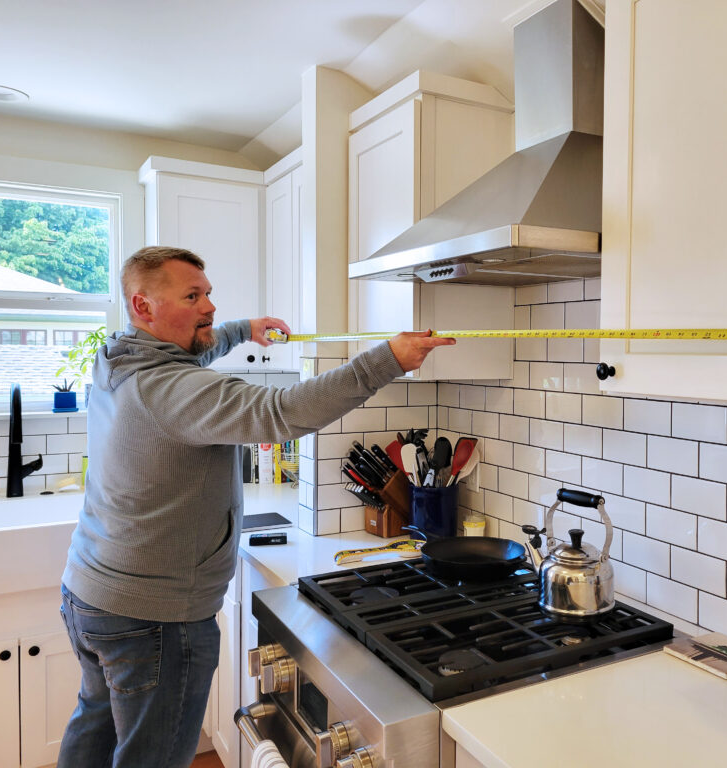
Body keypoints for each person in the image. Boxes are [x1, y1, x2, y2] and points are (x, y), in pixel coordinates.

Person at [57, 245, 453, 767]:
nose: (209, 307)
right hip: (155, 616)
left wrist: (246, 329)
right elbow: (281, 412)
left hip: (92, 595)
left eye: (209, 294)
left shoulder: (123, 358)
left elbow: (197, 347)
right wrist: (388, 361)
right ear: (143, 306)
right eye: (192, 296)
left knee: (96, 728)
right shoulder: (171, 388)